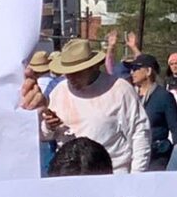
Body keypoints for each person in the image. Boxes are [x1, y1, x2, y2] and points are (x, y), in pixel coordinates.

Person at [43, 38, 151, 174]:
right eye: (68, 73)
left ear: (93, 67)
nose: (71, 78)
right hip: (69, 175)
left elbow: (139, 133)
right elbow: (45, 135)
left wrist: (136, 176)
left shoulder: (120, 90)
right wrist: (49, 127)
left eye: (77, 72)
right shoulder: (59, 91)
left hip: (111, 174)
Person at [125, 53, 177, 171]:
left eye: (136, 68)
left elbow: (175, 130)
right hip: (133, 155)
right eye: (131, 69)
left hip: (157, 157)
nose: (132, 72)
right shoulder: (130, 96)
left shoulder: (164, 97)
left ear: (148, 71)